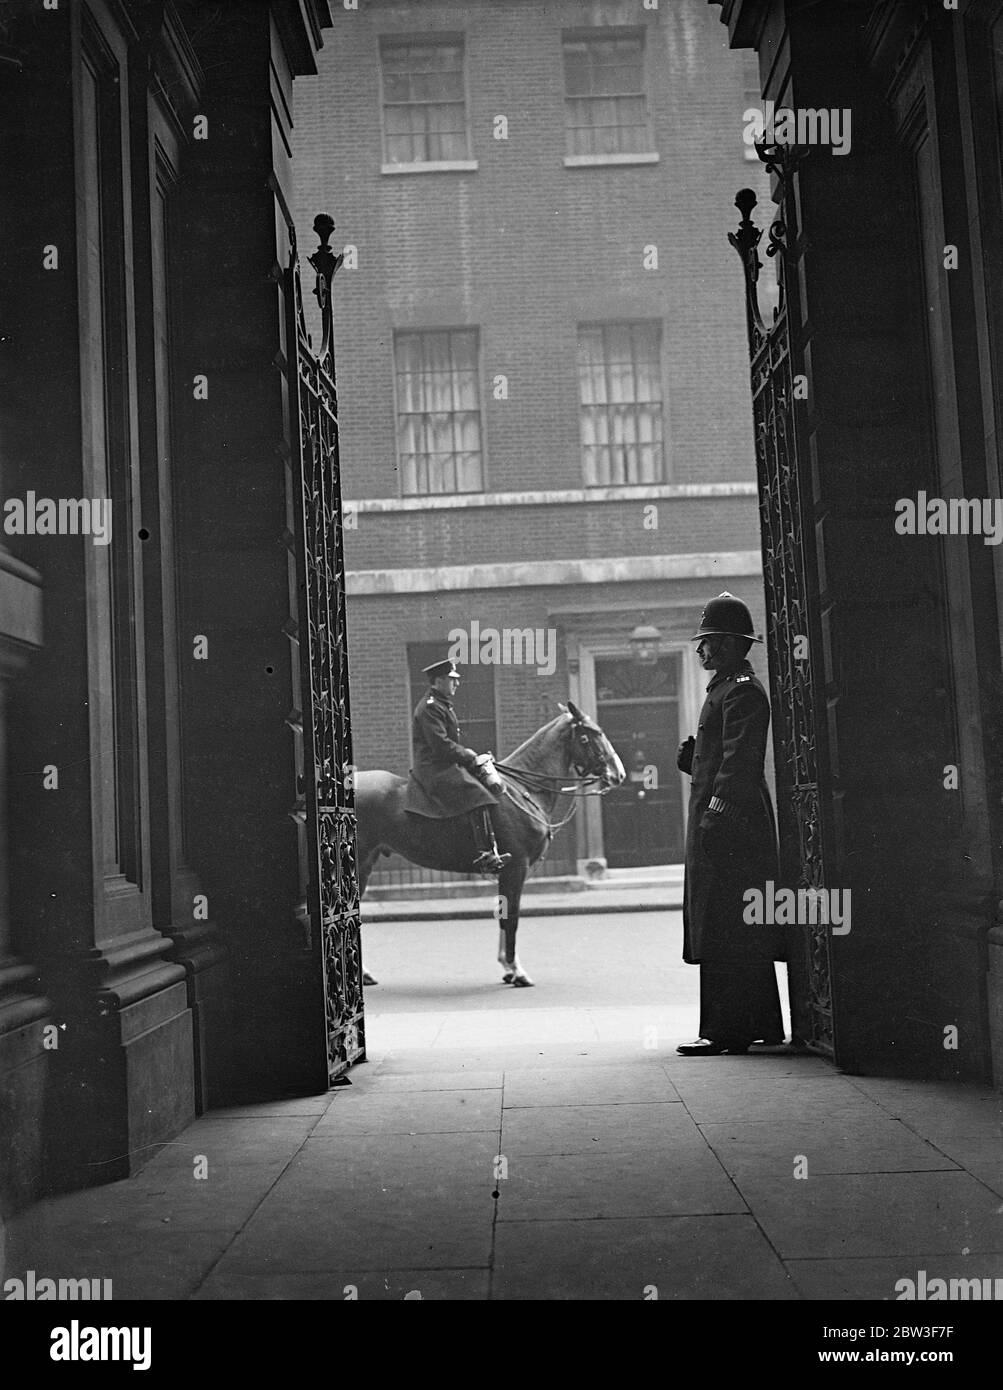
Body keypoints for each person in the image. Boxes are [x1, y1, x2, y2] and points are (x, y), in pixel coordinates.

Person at [675, 593, 785, 1055]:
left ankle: (725, 1031)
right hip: (726, 820)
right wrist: (692, 763)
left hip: (731, 825)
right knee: (733, 924)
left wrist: (716, 815)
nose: (701, 650)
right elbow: (723, 758)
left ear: (726, 644)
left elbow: (741, 762)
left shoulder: (741, 689)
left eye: (707, 642)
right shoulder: (725, 688)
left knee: (725, 923)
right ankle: (757, 1024)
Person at [410, 659, 511, 874]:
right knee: (478, 794)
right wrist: (469, 756)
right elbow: (441, 745)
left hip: (443, 765)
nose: (457, 684)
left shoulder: (440, 704)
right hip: (433, 769)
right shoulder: (429, 707)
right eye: (452, 680)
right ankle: (486, 854)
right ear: (438, 681)